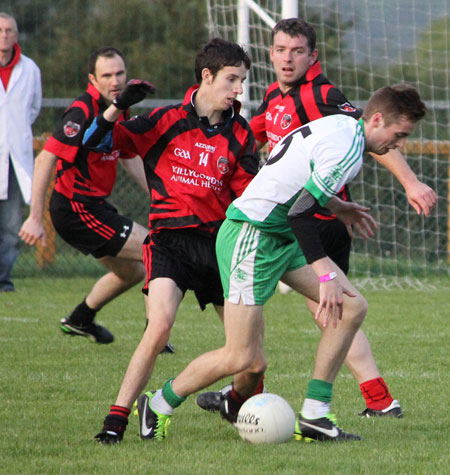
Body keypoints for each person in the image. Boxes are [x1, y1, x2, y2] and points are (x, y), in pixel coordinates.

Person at [134, 84, 426, 443]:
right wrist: (326, 274)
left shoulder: (342, 124)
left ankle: (316, 415)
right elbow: (301, 215)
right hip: (252, 236)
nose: (398, 145)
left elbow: (294, 174)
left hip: (276, 236)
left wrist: (338, 207)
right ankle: (159, 402)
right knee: (240, 356)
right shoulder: (348, 150)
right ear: (378, 119)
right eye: (399, 135)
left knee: (351, 309)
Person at [197, 18, 437, 419]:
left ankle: (262, 396)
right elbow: (252, 138)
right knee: (332, 310)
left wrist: (411, 182)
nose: (287, 59)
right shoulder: (274, 95)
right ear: (270, 53)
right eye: (279, 50)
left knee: (334, 308)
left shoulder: (322, 95)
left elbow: (377, 133)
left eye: (297, 51)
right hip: (285, 216)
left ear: (313, 57)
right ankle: (356, 399)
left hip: (315, 216)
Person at [83, 38, 260, 444]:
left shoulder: (240, 134)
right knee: (158, 327)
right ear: (206, 76)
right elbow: (95, 142)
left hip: (219, 247)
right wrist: (116, 107)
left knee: (251, 359)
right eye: (232, 79)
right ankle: (116, 421)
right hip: (169, 243)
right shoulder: (163, 121)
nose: (239, 89)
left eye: (242, 81)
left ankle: (243, 408)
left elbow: (250, 196)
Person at [19, 47, 150, 345]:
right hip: (75, 209)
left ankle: (80, 319)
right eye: (107, 75)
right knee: (154, 248)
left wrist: (161, 196)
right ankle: (155, 333)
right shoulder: (82, 111)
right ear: (93, 78)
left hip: (94, 207)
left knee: (132, 272)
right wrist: (35, 218)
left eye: (119, 73)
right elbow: (44, 160)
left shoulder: (121, 107)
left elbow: (128, 158)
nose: (115, 80)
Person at [0, 12, 41, 292]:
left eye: (9, 30)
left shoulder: (30, 70)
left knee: (11, 226)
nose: (4, 35)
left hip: (15, 160)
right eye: (0, 30)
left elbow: (34, 108)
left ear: (17, 35)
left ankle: (3, 279)